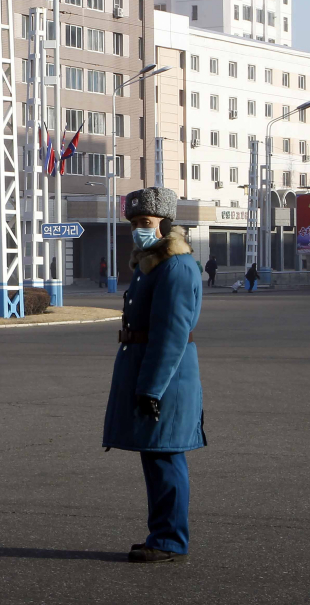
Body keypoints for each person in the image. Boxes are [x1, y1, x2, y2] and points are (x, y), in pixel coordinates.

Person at [103, 186, 205, 564]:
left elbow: (172, 334)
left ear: (165, 225)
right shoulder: (153, 265)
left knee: (165, 456)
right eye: (134, 223)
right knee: (156, 455)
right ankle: (162, 534)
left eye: (145, 222)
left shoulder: (176, 267)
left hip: (168, 380)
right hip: (154, 374)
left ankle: (169, 539)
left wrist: (150, 389)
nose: (138, 229)